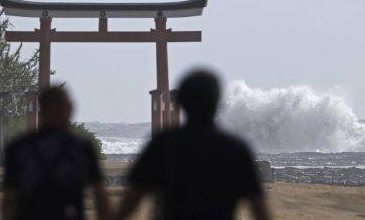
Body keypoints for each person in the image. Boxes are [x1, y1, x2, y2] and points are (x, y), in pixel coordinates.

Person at [116, 69, 271, 220]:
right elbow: (259, 209)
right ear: (217, 103)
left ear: (179, 103)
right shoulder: (236, 149)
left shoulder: (163, 144)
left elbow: (130, 202)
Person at [2, 87, 109, 220]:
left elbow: (9, 200)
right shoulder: (81, 147)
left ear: (41, 109)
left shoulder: (18, 147)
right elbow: (100, 197)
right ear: (67, 109)